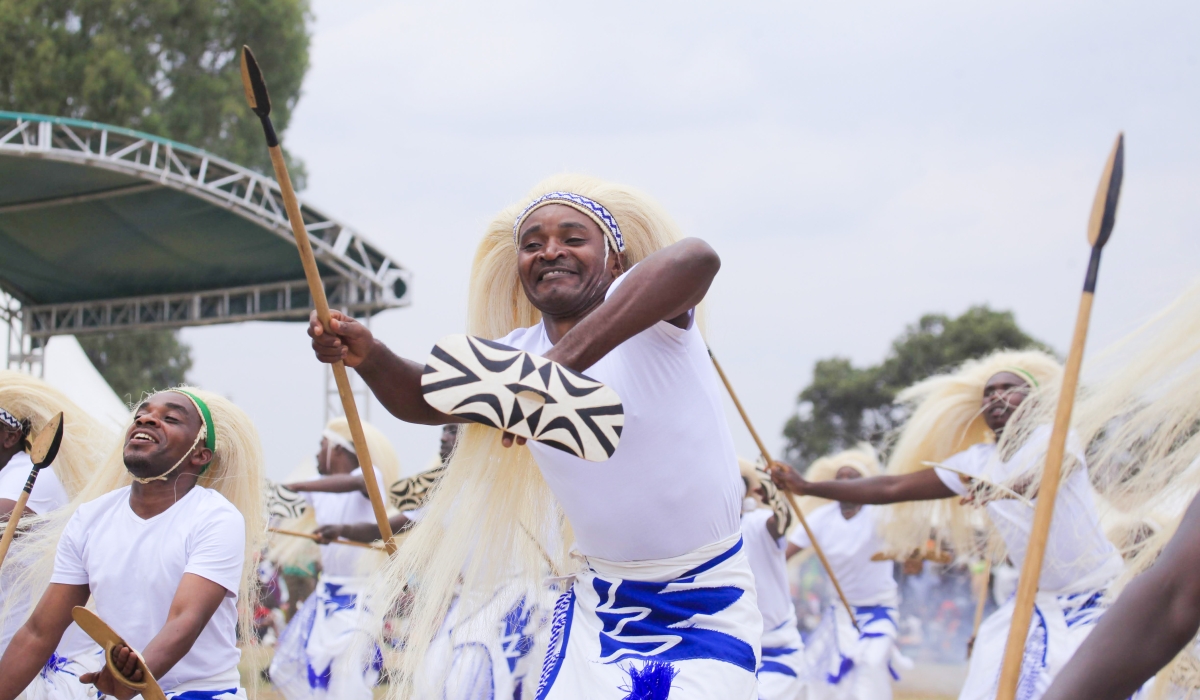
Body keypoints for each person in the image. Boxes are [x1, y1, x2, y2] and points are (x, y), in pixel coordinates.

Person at [308, 175, 758, 699]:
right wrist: (370, 355)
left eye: (572, 238)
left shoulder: (659, 323)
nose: (550, 251)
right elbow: (425, 399)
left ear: (616, 261)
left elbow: (696, 259)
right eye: (532, 244)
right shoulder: (514, 357)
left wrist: (542, 381)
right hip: (603, 604)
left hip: (706, 597)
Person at [772, 350, 1123, 700]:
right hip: (1035, 602)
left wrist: (1001, 488)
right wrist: (807, 487)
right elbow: (892, 487)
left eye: (1008, 388)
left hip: (1097, 592)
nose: (996, 396)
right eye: (989, 391)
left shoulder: (1054, 436)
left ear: (1032, 402)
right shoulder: (976, 462)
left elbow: (1049, 476)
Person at [0, 387, 265, 700]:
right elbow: (38, 633)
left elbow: (185, 619)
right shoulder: (90, 518)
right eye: (141, 415)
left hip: (197, 693)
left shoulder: (217, 518)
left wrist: (132, 680)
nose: (147, 420)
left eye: (170, 418)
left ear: (200, 455)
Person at [268, 417, 399, 700]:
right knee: (289, 666)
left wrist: (298, 486)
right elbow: (284, 505)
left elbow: (353, 483)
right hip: (327, 593)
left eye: (322, 445)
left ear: (338, 450)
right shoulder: (317, 486)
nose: (317, 453)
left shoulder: (370, 476)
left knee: (347, 672)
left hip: (361, 594)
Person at [785, 446, 904, 700]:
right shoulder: (819, 519)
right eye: (840, 478)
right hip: (840, 612)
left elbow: (907, 544)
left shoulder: (881, 514)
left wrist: (912, 556)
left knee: (870, 664)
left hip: (879, 610)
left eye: (853, 477)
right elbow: (783, 554)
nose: (846, 483)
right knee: (814, 677)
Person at [738, 459, 805, 700]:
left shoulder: (757, 523)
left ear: (744, 492)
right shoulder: (708, 537)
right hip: (734, 655)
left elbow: (781, 521)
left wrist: (777, 499)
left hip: (777, 652)